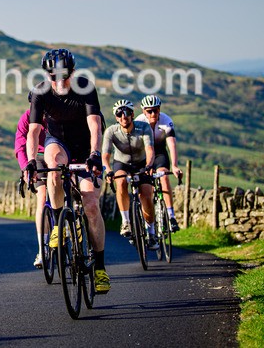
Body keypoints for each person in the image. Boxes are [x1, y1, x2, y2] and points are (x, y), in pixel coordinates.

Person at [24, 48, 110, 294]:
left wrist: (94, 154)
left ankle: (101, 268)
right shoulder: (41, 92)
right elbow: (34, 131)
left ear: (72, 72)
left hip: (85, 147)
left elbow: (95, 125)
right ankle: (59, 227)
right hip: (58, 142)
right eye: (53, 76)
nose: (59, 81)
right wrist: (31, 160)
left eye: (63, 75)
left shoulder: (86, 87)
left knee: (91, 204)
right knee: (52, 165)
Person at [103, 99, 159, 250]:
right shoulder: (111, 131)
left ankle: (152, 233)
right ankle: (126, 221)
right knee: (120, 182)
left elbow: (149, 149)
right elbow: (106, 155)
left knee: (146, 193)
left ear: (133, 114)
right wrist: (108, 170)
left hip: (141, 163)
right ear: (116, 117)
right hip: (122, 163)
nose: (123, 116)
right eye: (119, 114)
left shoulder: (143, 127)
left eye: (127, 113)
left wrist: (149, 165)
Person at [134, 94, 183, 232]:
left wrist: (174, 165)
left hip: (160, 152)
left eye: (156, 110)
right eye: (149, 111)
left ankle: (171, 216)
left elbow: (171, 144)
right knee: (144, 187)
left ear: (159, 109)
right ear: (144, 111)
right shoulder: (138, 122)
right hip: (143, 154)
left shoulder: (166, 120)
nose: (153, 113)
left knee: (163, 176)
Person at [14, 92, 47, 268]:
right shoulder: (26, 118)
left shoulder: (57, 114)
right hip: (38, 157)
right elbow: (20, 147)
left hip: (61, 155)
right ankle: (42, 250)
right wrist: (26, 168)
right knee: (42, 196)